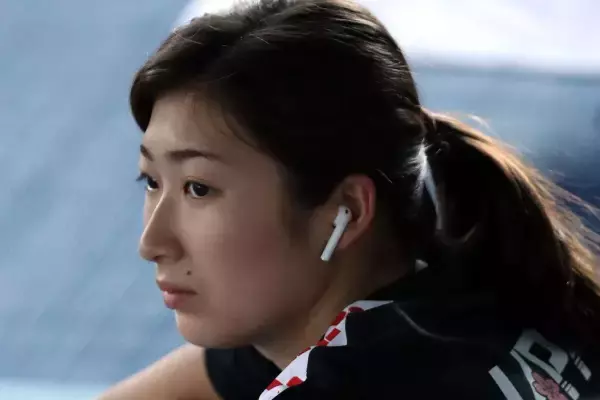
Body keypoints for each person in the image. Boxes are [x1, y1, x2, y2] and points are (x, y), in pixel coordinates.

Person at [99, 0, 600, 398]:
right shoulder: (475, 281)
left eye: (199, 188)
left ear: (348, 212)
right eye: (151, 181)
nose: (152, 243)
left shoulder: (349, 376)